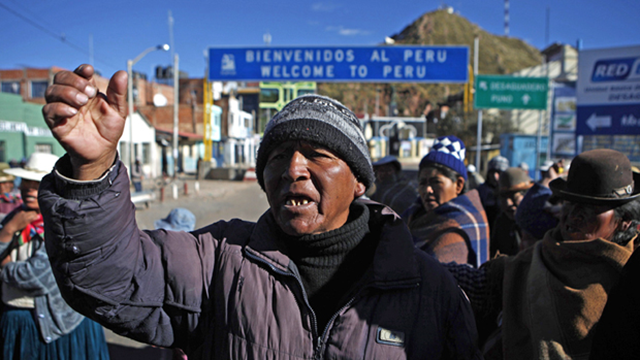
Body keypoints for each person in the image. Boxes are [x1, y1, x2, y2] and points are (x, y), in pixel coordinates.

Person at [39, 64, 481, 359]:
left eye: (317, 154)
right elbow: (112, 279)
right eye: (278, 156)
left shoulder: (430, 290)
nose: (293, 169)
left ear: (359, 181)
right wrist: (93, 170)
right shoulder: (219, 258)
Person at [446, 148, 640, 359]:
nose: (574, 215)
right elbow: (474, 282)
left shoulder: (630, 277)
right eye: (570, 202)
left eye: (591, 208)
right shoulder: (530, 264)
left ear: (624, 221)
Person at [0, 152, 110, 360]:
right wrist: (7, 232)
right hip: (18, 319)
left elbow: (37, 277)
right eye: (25, 182)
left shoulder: (64, 224)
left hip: (56, 323)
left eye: (36, 183)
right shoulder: (15, 219)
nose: (28, 190)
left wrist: (4, 265)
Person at [404, 135, 490, 267]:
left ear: (459, 185)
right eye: (422, 183)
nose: (428, 190)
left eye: (436, 182)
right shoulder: (410, 217)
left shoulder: (463, 224)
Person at [490, 167, 533, 257]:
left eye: (514, 197)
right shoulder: (501, 222)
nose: (508, 203)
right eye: (503, 197)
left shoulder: (537, 222)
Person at [477, 155, 509, 231]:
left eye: (499, 172)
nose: (495, 176)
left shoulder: (509, 192)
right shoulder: (481, 191)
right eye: (492, 172)